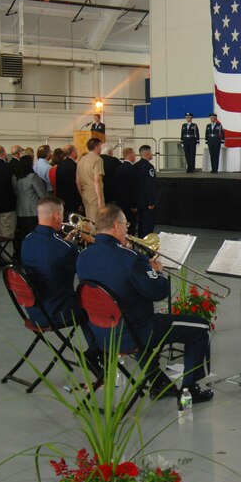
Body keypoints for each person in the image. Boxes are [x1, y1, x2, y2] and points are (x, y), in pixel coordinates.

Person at [76, 206, 213, 402]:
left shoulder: (83, 256)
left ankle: (157, 382)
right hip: (134, 333)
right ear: (116, 226)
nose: (127, 230)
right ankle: (189, 389)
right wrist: (156, 272)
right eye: (125, 225)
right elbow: (159, 292)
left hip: (100, 335)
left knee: (133, 318)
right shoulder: (130, 259)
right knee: (201, 328)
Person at [21, 198, 94, 347]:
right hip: (58, 312)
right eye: (61, 214)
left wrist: (69, 240)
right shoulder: (63, 248)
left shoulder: (27, 240)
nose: (62, 219)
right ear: (55, 215)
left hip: (35, 311)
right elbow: (88, 269)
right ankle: (96, 352)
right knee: (97, 306)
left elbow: (53, 255)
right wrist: (93, 242)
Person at [13, 155, 49, 248]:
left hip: (20, 210)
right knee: (34, 234)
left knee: (24, 235)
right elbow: (42, 194)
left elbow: (15, 192)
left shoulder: (14, 177)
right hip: (33, 210)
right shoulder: (33, 177)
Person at [76, 138, 105, 222]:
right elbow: (97, 180)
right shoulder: (97, 159)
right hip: (94, 193)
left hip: (85, 192)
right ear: (96, 147)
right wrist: (100, 200)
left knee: (88, 220)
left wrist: (81, 193)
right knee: (97, 221)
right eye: (100, 146)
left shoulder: (81, 159)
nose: (101, 149)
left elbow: (77, 180)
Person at [133, 145, 158, 237]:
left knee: (141, 225)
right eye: (150, 152)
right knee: (148, 226)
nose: (152, 154)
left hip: (138, 201)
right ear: (147, 153)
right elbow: (149, 185)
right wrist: (151, 202)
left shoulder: (135, 166)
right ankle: (146, 246)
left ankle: (140, 243)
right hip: (147, 203)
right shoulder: (148, 167)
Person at [115, 148, 138, 235]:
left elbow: (117, 187)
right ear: (130, 156)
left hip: (121, 203)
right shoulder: (133, 170)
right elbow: (133, 188)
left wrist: (119, 203)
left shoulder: (118, 169)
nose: (135, 156)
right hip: (130, 204)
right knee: (131, 226)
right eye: (134, 154)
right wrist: (134, 205)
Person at [56, 145, 81, 216]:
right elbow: (76, 183)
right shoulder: (74, 165)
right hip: (73, 199)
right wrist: (79, 201)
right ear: (73, 152)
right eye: (76, 151)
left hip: (62, 198)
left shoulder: (60, 164)